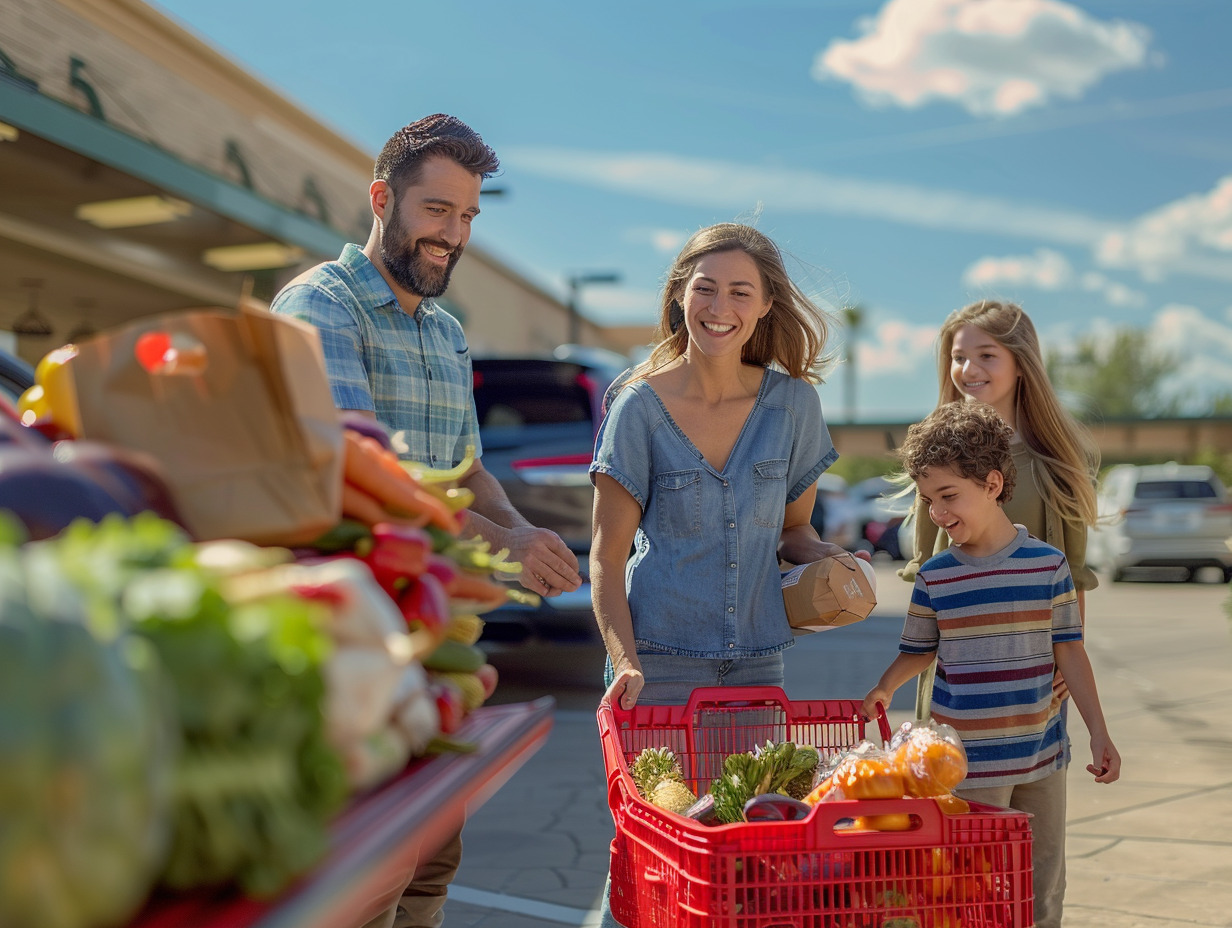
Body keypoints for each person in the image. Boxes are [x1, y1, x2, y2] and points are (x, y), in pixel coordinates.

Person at [271, 113, 581, 928]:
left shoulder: (444, 331)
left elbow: (467, 468)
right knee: (367, 868)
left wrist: (522, 534)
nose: (455, 234)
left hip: (437, 627)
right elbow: (362, 469)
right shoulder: (321, 306)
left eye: (470, 215)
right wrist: (505, 542)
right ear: (384, 197)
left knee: (432, 858)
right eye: (438, 210)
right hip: (350, 632)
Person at [862, 400, 1120, 928]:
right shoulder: (936, 575)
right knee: (969, 890)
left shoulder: (1047, 566)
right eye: (928, 499)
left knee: (1043, 882)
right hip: (968, 767)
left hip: (1043, 757)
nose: (937, 512)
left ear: (994, 483)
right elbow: (919, 650)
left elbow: (1070, 650)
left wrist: (1099, 732)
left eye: (949, 495)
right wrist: (884, 688)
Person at [900, 299, 1100, 720]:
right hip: (953, 676)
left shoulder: (1056, 462)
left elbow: (1074, 576)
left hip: (1030, 674)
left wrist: (1068, 655)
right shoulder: (934, 460)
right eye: (958, 358)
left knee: (1035, 779)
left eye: (986, 356)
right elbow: (925, 578)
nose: (969, 370)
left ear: (1021, 363)